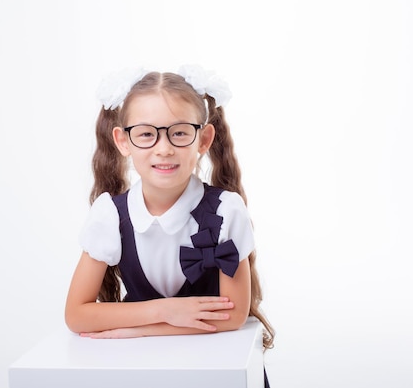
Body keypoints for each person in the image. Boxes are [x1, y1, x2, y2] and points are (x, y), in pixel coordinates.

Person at [65, 65, 274, 351]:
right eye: (146, 134)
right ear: (123, 141)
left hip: (216, 364)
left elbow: (234, 315)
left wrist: (141, 330)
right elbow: (77, 315)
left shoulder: (227, 210)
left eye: (179, 133)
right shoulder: (110, 215)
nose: (164, 149)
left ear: (204, 139)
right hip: (143, 367)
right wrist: (165, 311)